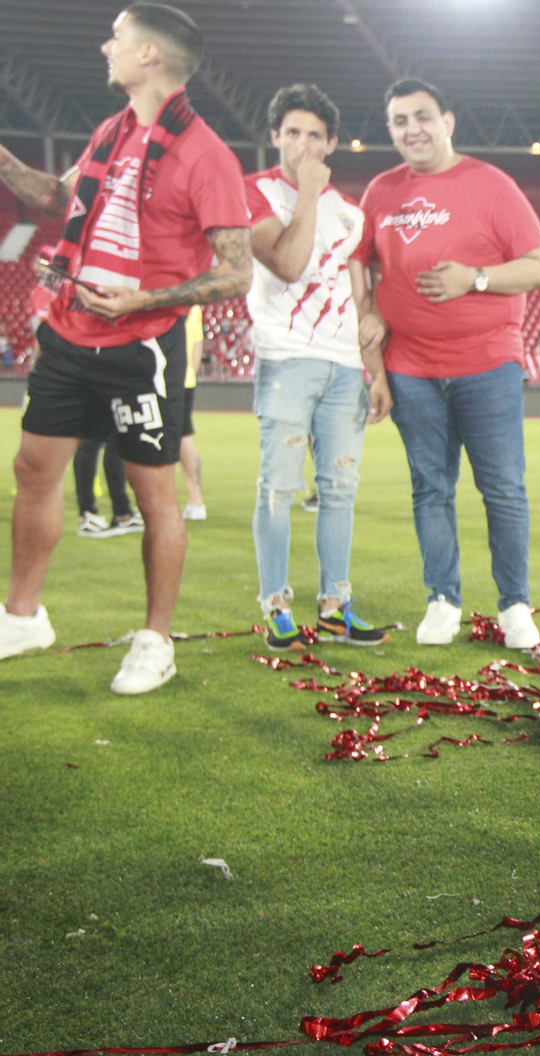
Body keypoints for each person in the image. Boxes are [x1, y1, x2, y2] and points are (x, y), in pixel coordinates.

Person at [0, 4, 251, 693]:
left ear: (150, 56)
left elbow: (237, 271)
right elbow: (61, 199)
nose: (104, 44)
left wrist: (146, 300)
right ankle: (22, 616)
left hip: (143, 344)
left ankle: (155, 641)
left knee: (153, 496)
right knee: (33, 468)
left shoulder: (207, 155)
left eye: (118, 36)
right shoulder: (112, 130)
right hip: (72, 331)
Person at [357, 78, 540, 648]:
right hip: (410, 366)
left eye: (422, 116)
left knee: (503, 489)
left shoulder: (490, 185)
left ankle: (515, 603)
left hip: (486, 362)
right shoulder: (381, 190)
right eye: (398, 121)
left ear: (448, 121)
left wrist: (476, 278)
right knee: (429, 488)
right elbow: (359, 268)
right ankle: (442, 599)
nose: (411, 129)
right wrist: (374, 359)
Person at [245, 82, 391, 652]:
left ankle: (335, 605)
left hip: (343, 368)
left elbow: (362, 301)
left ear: (331, 142)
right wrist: (306, 192)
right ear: (275, 137)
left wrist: (374, 370)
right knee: (279, 487)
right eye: (291, 133)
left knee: (339, 489)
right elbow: (287, 262)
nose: (302, 144)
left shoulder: (352, 215)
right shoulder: (253, 193)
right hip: (285, 361)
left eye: (314, 135)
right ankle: (276, 604)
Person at [178, 304, 206, 520]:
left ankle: (196, 501)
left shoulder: (162, 297)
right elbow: (198, 345)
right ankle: (195, 500)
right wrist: (190, 374)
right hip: (186, 378)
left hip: (164, 378)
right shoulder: (194, 306)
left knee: (176, 439)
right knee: (183, 437)